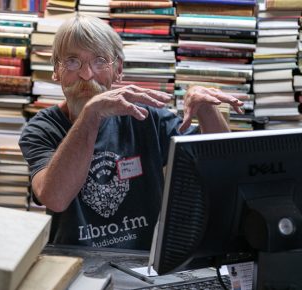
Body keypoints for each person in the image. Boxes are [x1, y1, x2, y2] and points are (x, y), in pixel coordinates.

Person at [19, 15, 245, 250]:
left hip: (143, 263)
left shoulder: (145, 118)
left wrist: (207, 109)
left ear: (118, 70)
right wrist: (91, 114)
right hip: (74, 263)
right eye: (73, 62)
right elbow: (55, 198)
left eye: (99, 61)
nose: (87, 75)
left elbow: (221, 172)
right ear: (56, 70)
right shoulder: (42, 129)